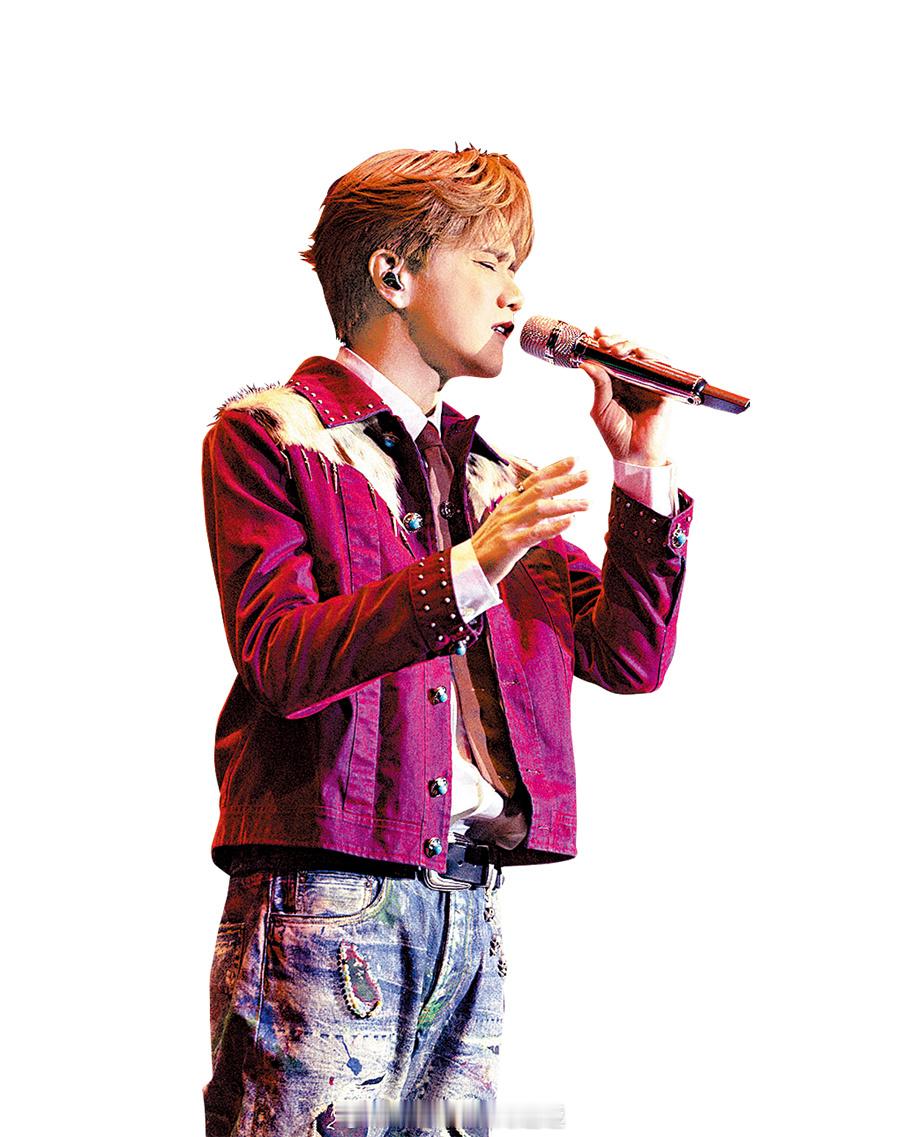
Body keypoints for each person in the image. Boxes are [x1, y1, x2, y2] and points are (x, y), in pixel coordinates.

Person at [201, 146, 693, 1136]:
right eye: (491, 262)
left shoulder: (493, 479)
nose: (517, 295)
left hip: (466, 899)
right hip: (328, 892)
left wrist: (643, 472)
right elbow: (282, 659)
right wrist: (473, 562)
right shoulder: (273, 435)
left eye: (519, 268)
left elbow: (625, 657)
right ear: (393, 274)